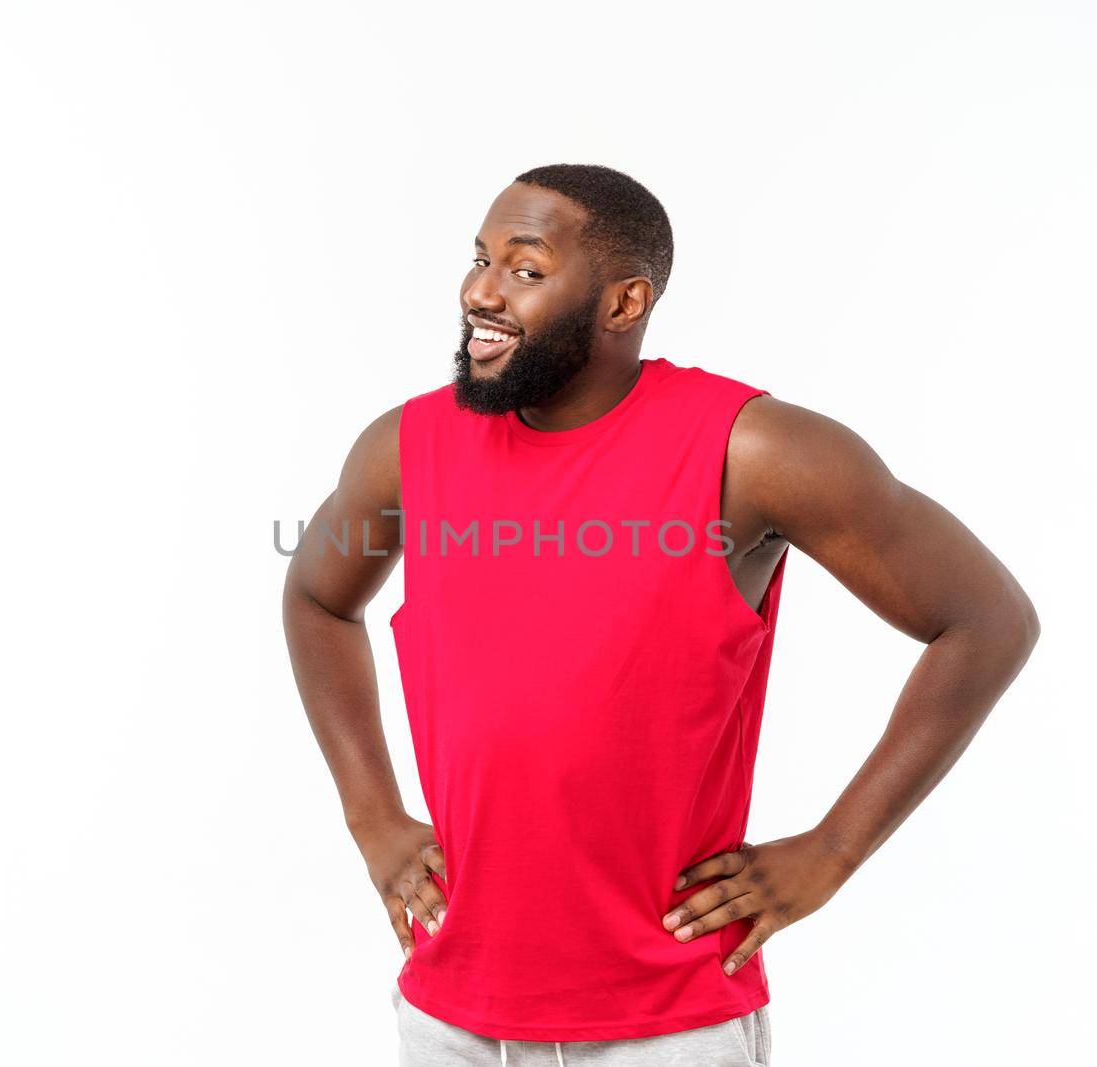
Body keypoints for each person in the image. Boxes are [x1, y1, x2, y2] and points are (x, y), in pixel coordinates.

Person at [281, 163, 1039, 1065]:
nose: (480, 291)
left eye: (525, 270)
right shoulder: (405, 446)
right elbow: (317, 599)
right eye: (480, 258)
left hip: (667, 1023)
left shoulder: (755, 450)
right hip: (451, 1014)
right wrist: (371, 812)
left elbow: (986, 620)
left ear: (622, 301)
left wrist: (833, 849)